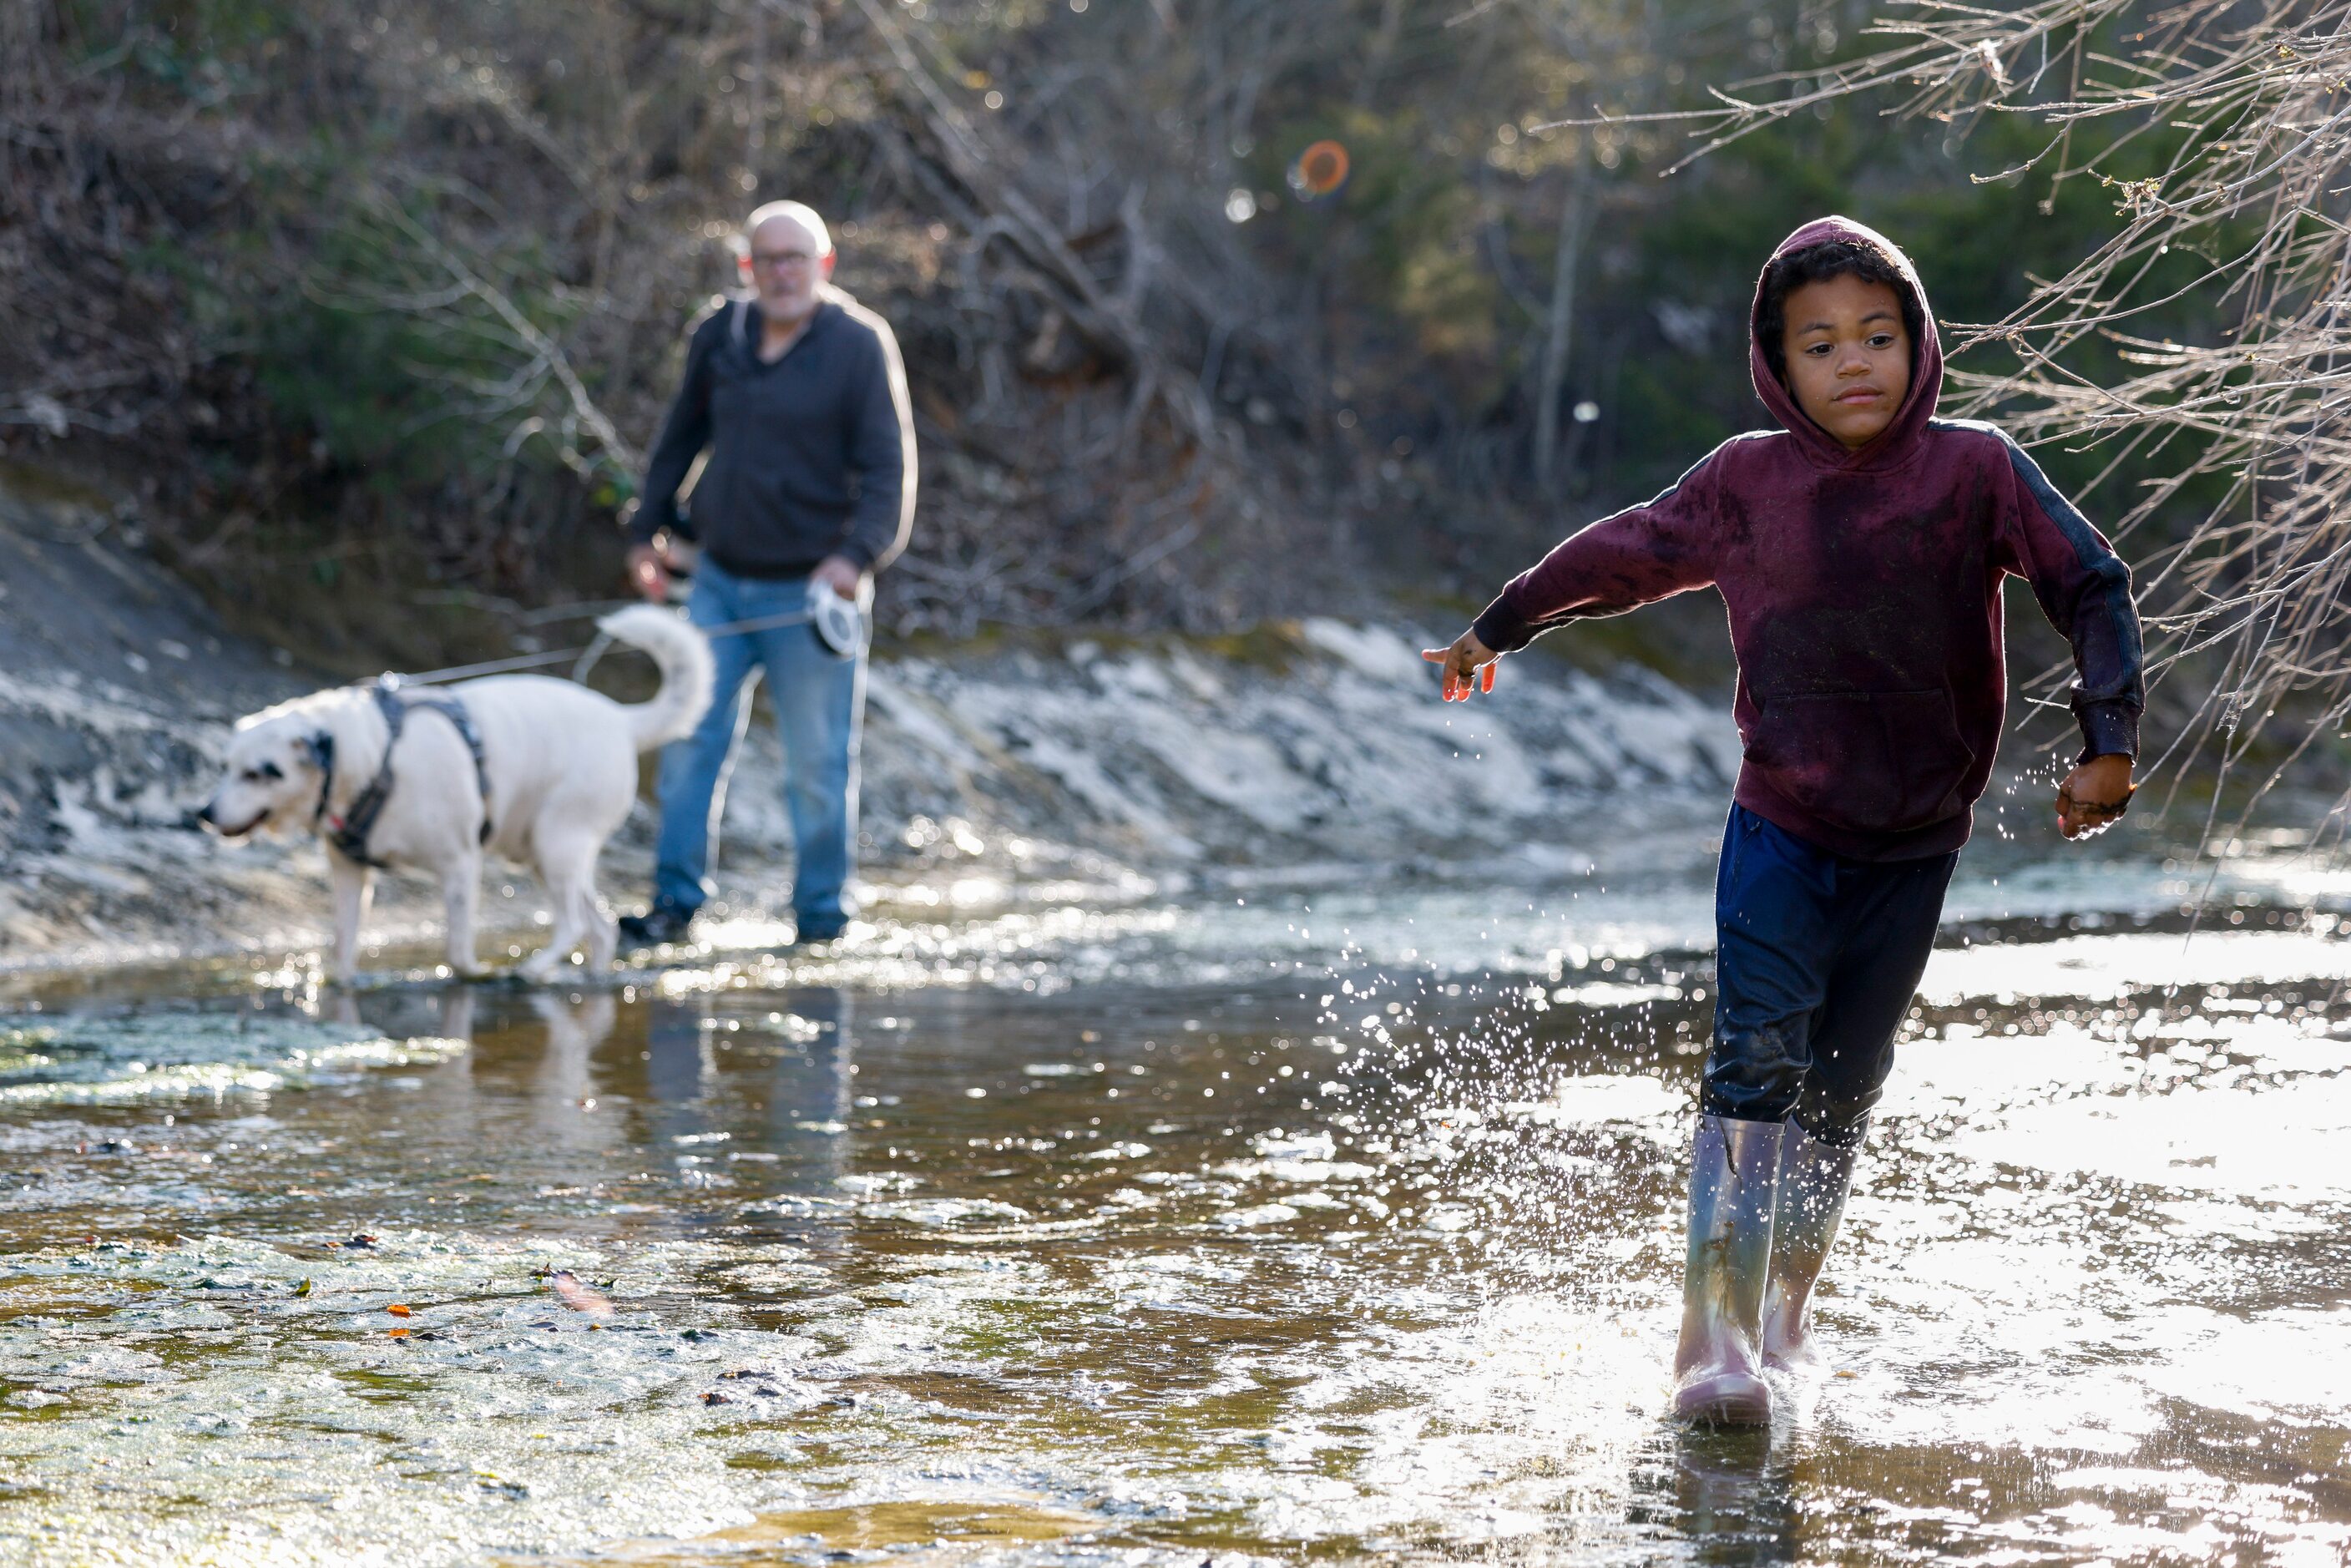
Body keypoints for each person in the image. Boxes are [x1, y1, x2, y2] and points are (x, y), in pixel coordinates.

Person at [1423, 216, 2143, 1425]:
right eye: (1820, 345)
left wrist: (2110, 740)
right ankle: (1711, 1337)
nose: (1853, 362)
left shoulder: (1977, 471)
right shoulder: (1744, 484)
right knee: (1755, 1055)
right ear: (1777, 364)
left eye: (1877, 335)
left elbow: (2092, 582)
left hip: (1918, 840)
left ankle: (1784, 1309)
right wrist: (1498, 626)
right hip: (1783, 825)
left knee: (1846, 1083)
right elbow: (1622, 554)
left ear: (1920, 344)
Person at [619, 200, 916, 948]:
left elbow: (890, 470)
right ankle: (673, 908)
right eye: (768, 259)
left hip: (813, 596)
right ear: (749, 268)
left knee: (816, 767)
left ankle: (821, 920)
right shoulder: (721, 332)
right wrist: (643, 530)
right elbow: (679, 435)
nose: (783, 272)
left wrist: (853, 560)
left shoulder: (858, 344)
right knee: (690, 748)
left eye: (797, 258)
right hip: (718, 580)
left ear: (825, 265)